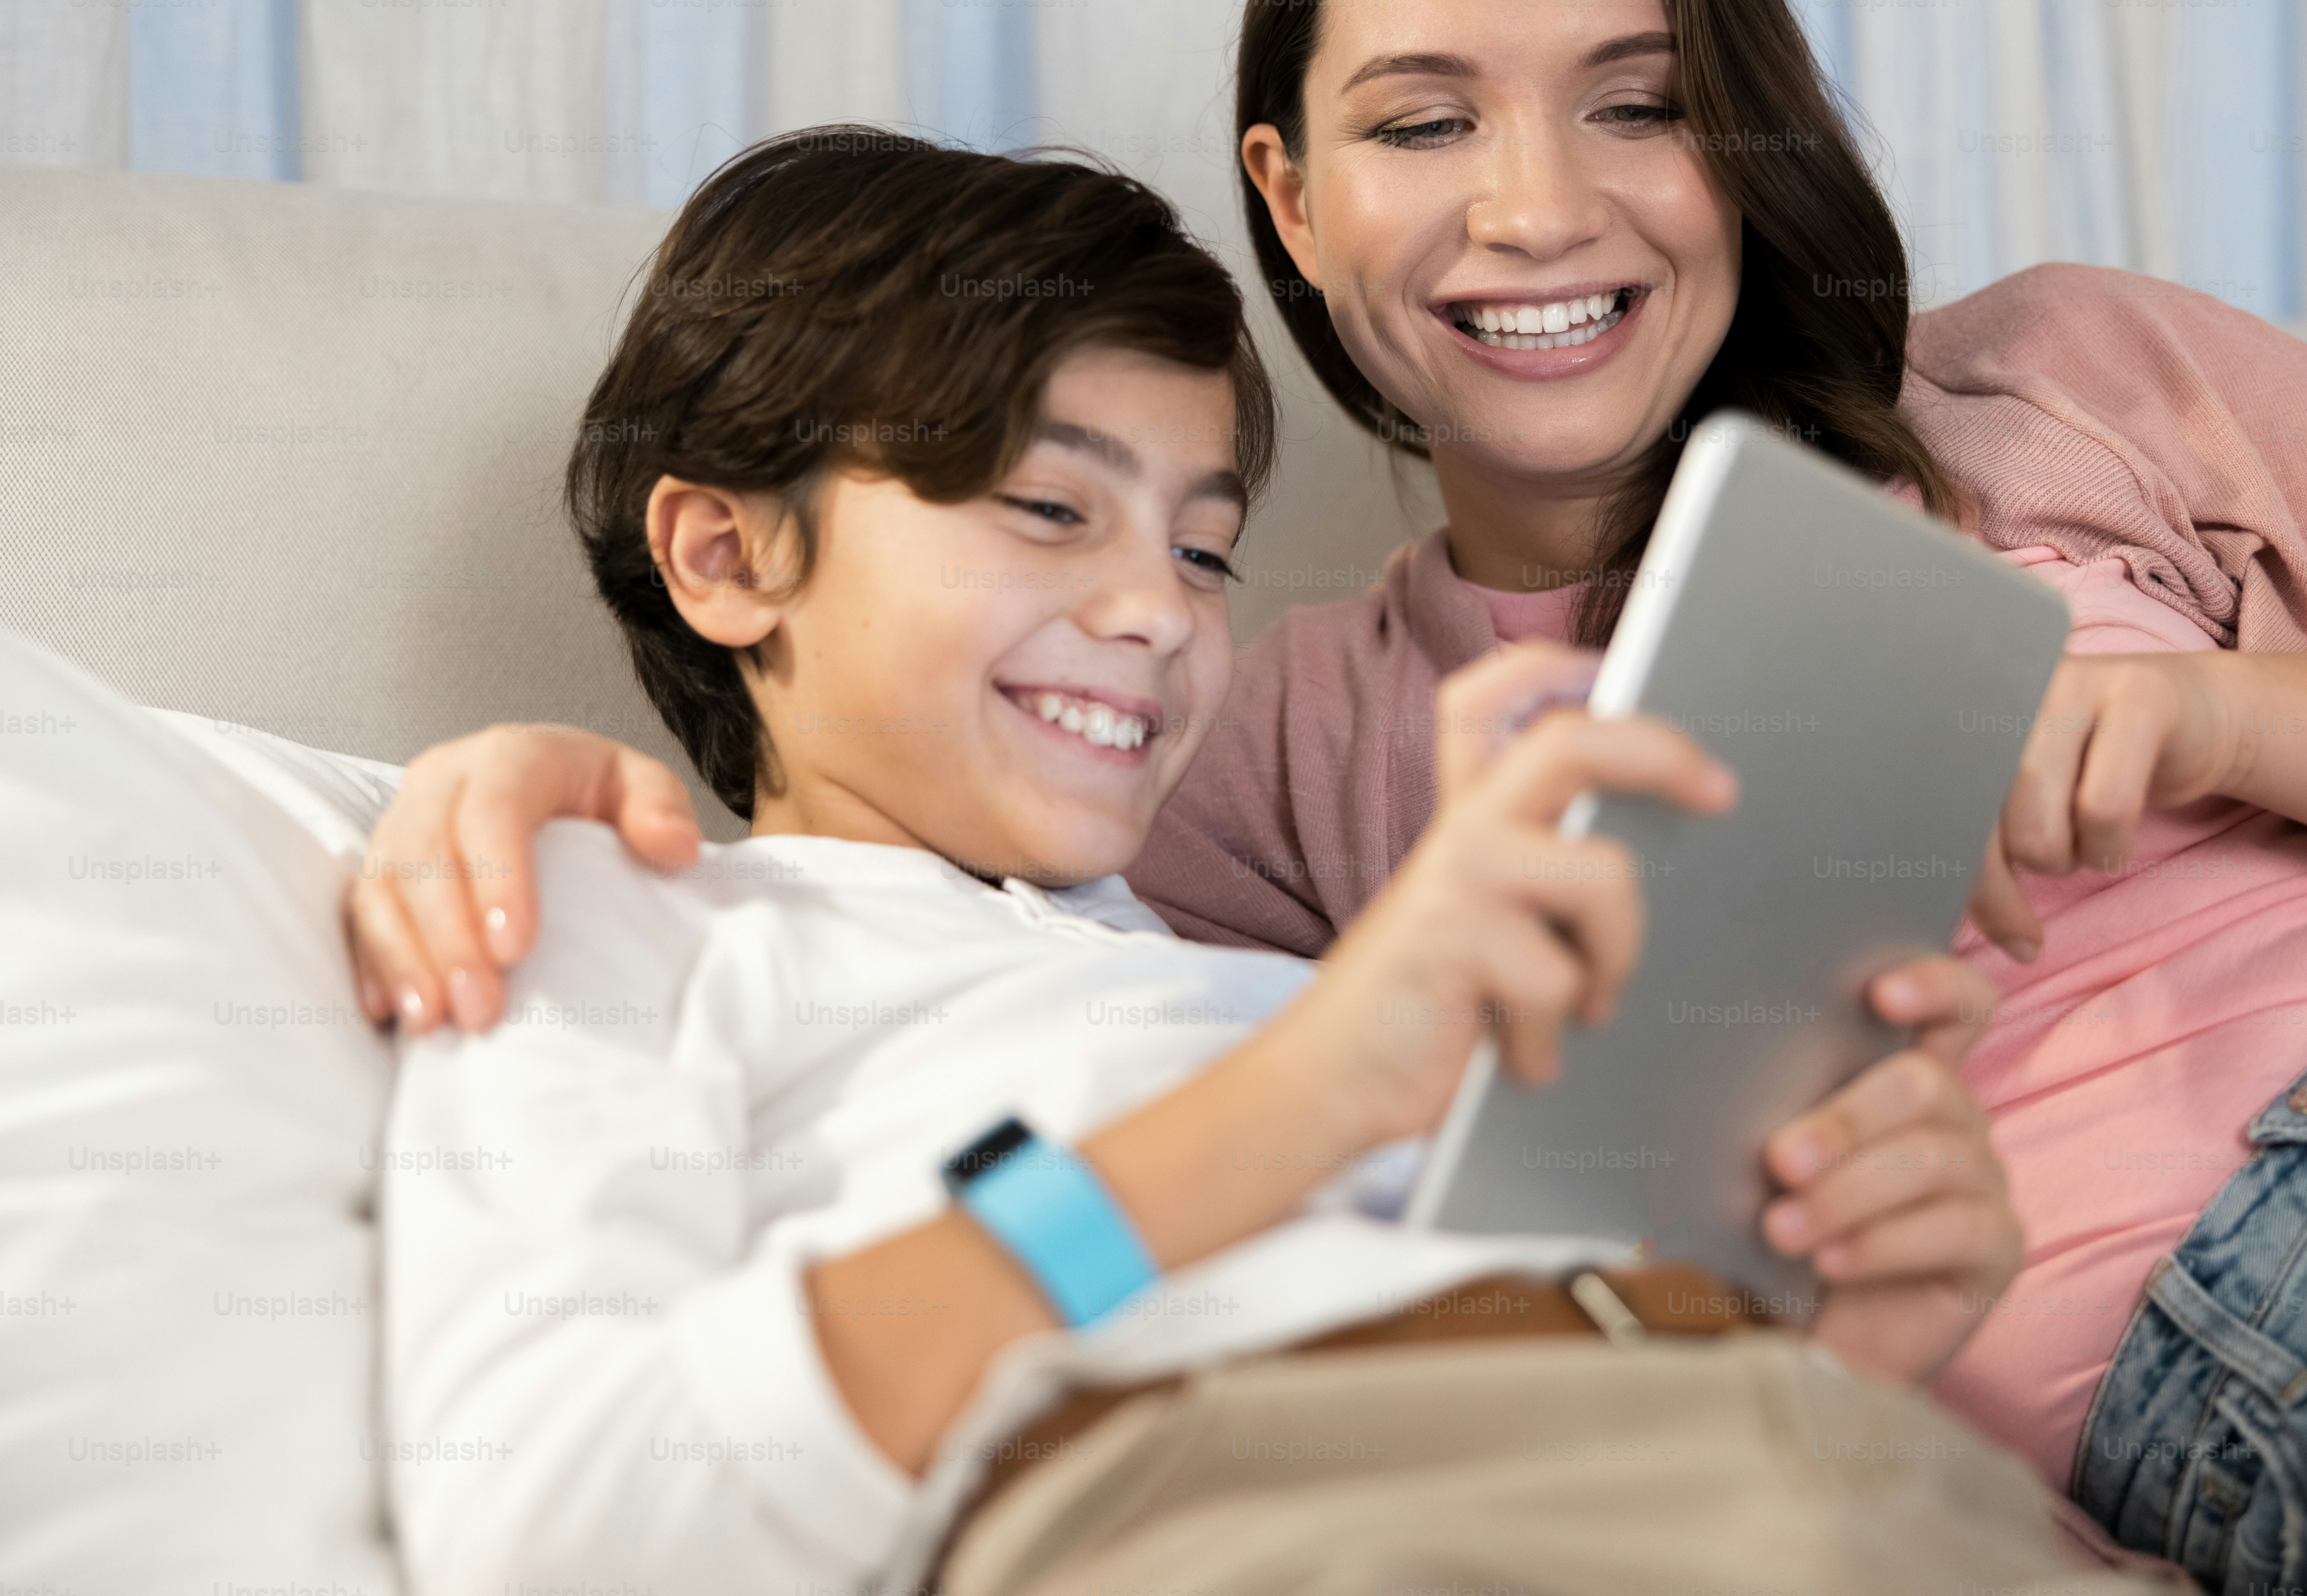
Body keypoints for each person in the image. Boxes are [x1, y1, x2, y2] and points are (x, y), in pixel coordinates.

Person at [346, 0, 2307, 1591]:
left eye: (1639, 103)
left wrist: (2222, 715)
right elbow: (885, 857)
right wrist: (552, 787)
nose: (1541, 205)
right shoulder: (1284, 773)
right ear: (1298, 196)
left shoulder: (2060, 389)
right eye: (1430, 121)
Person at [377, 125, 2144, 1596]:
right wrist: (1308, 1090)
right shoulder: (620, 916)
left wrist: (1834, 1332)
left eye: (1208, 551)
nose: (1158, 614)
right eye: (1050, 508)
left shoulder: (1230, 970)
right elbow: (557, 1517)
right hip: (1238, 1511)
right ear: (723, 553)